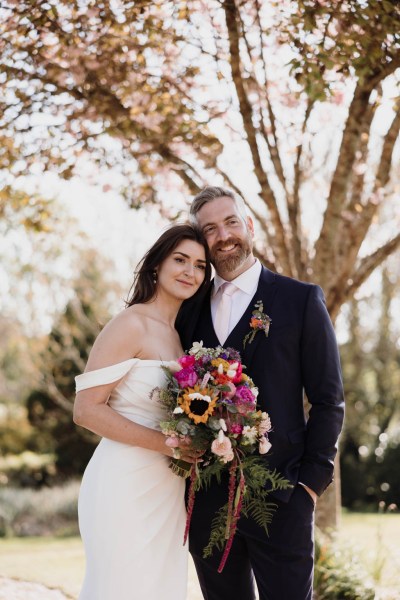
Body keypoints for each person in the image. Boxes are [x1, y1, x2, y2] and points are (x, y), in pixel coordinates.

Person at [176, 186, 345, 600]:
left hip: (284, 494)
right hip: (208, 499)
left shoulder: (300, 299)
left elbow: (328, 399)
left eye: (231, 221)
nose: (224, 234)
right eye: (210, 229)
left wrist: (310, 484)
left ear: (248, 226)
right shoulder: (187, 310)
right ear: (203, 241)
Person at [73, 224, 211, 600]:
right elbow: (85, 411)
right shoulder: (130, 323)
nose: (190, 272)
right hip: (124, 483)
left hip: (166, 488)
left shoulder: (179, 335)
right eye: (180, 260)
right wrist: (167, 444)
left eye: (200, 265)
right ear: (156, 266)